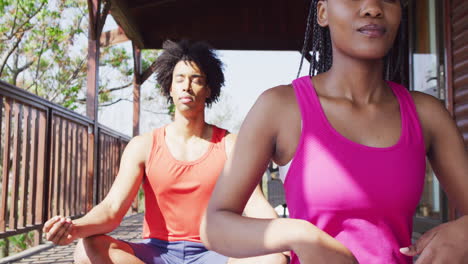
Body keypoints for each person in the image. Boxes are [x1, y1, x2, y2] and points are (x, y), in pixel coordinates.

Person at [201, 1, 468, 264]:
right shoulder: (281, 107)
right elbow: (215, 225)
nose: (373, 8)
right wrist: (298, 234)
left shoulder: (426, 113)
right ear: (323, 12)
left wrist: (464, 233)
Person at [43, 40, 287, 264]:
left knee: (273, 259)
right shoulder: (143, 145)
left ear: (209, 89)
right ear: (169, 87)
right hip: (156, 253)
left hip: (218, 252)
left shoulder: (230, 144)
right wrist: (74, 228)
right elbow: (112, 209)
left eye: (196, 79)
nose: (187, 87)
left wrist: (286, 240)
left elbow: (255, 204)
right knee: (86, 250)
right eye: (179, 79)